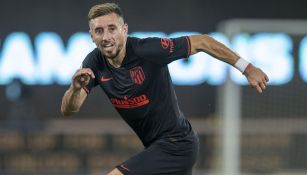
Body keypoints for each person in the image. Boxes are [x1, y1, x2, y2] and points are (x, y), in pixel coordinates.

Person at [61, 3, 269, 175]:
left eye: (112, 28)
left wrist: (247, 68)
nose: (106, 36)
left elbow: (203, 41)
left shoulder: (148, 50)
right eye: (99, 31)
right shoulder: (93, 62)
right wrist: (75, 89)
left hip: (177, 145)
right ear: (91, 36)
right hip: (156, 148)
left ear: (124, 29)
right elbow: (69, 110)